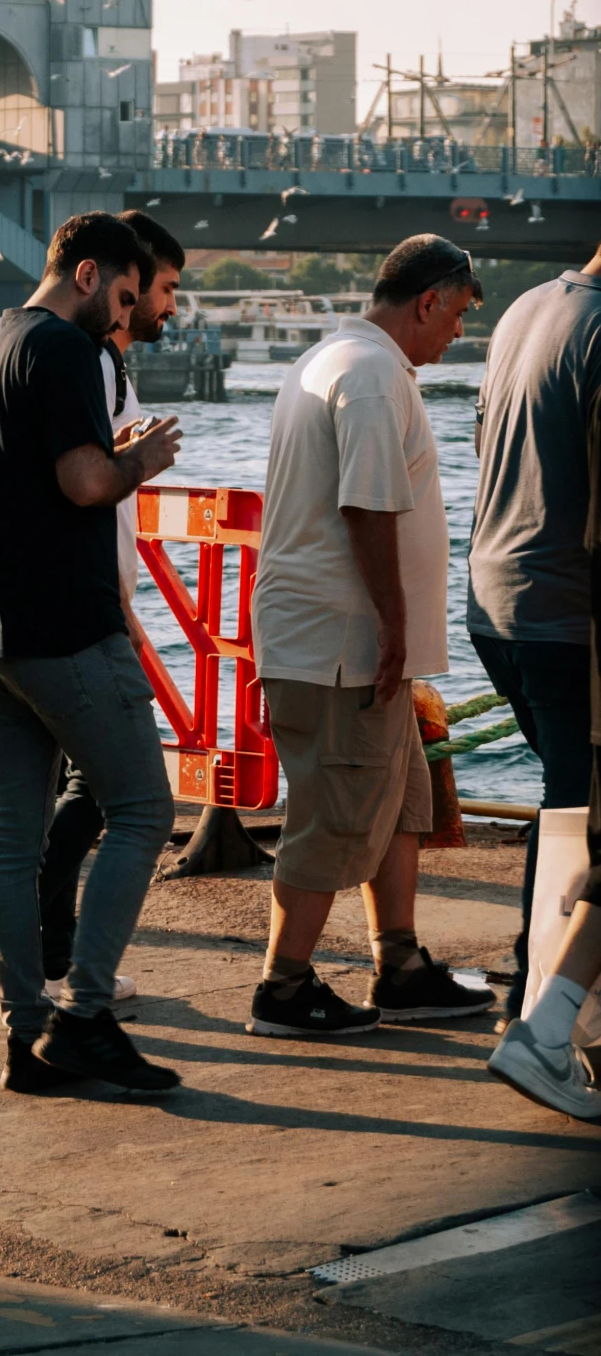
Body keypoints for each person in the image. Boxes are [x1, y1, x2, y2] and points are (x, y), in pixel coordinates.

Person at [0, 210, 184, 1097]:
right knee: (139, 811)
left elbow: (16, 478)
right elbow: (83, 483)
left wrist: (104, 458)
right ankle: (85, 1017)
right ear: (87, 274)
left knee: (11, 835)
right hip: (64, 625)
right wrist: (141, 462)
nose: (122, 315)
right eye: (124, 294)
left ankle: (26, 1034)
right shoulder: (60, 350)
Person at [247, 235, 493, 1038]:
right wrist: (392, 627)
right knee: (336, 815)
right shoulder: (372, 375)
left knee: (396, 808)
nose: (457, 332)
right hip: (344, 647)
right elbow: (366, 505)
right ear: (427, 301)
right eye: (455, 314)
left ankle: (401, 967)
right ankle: (282, 989)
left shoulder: (335, 360)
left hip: (344, 642)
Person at [466, 243, 601, 1017]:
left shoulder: (524, 310)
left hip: (495, 601)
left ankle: (537, 985)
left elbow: (489, 448)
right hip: (563, 614)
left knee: (565, 804)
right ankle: (543, 999)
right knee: (577, 807)